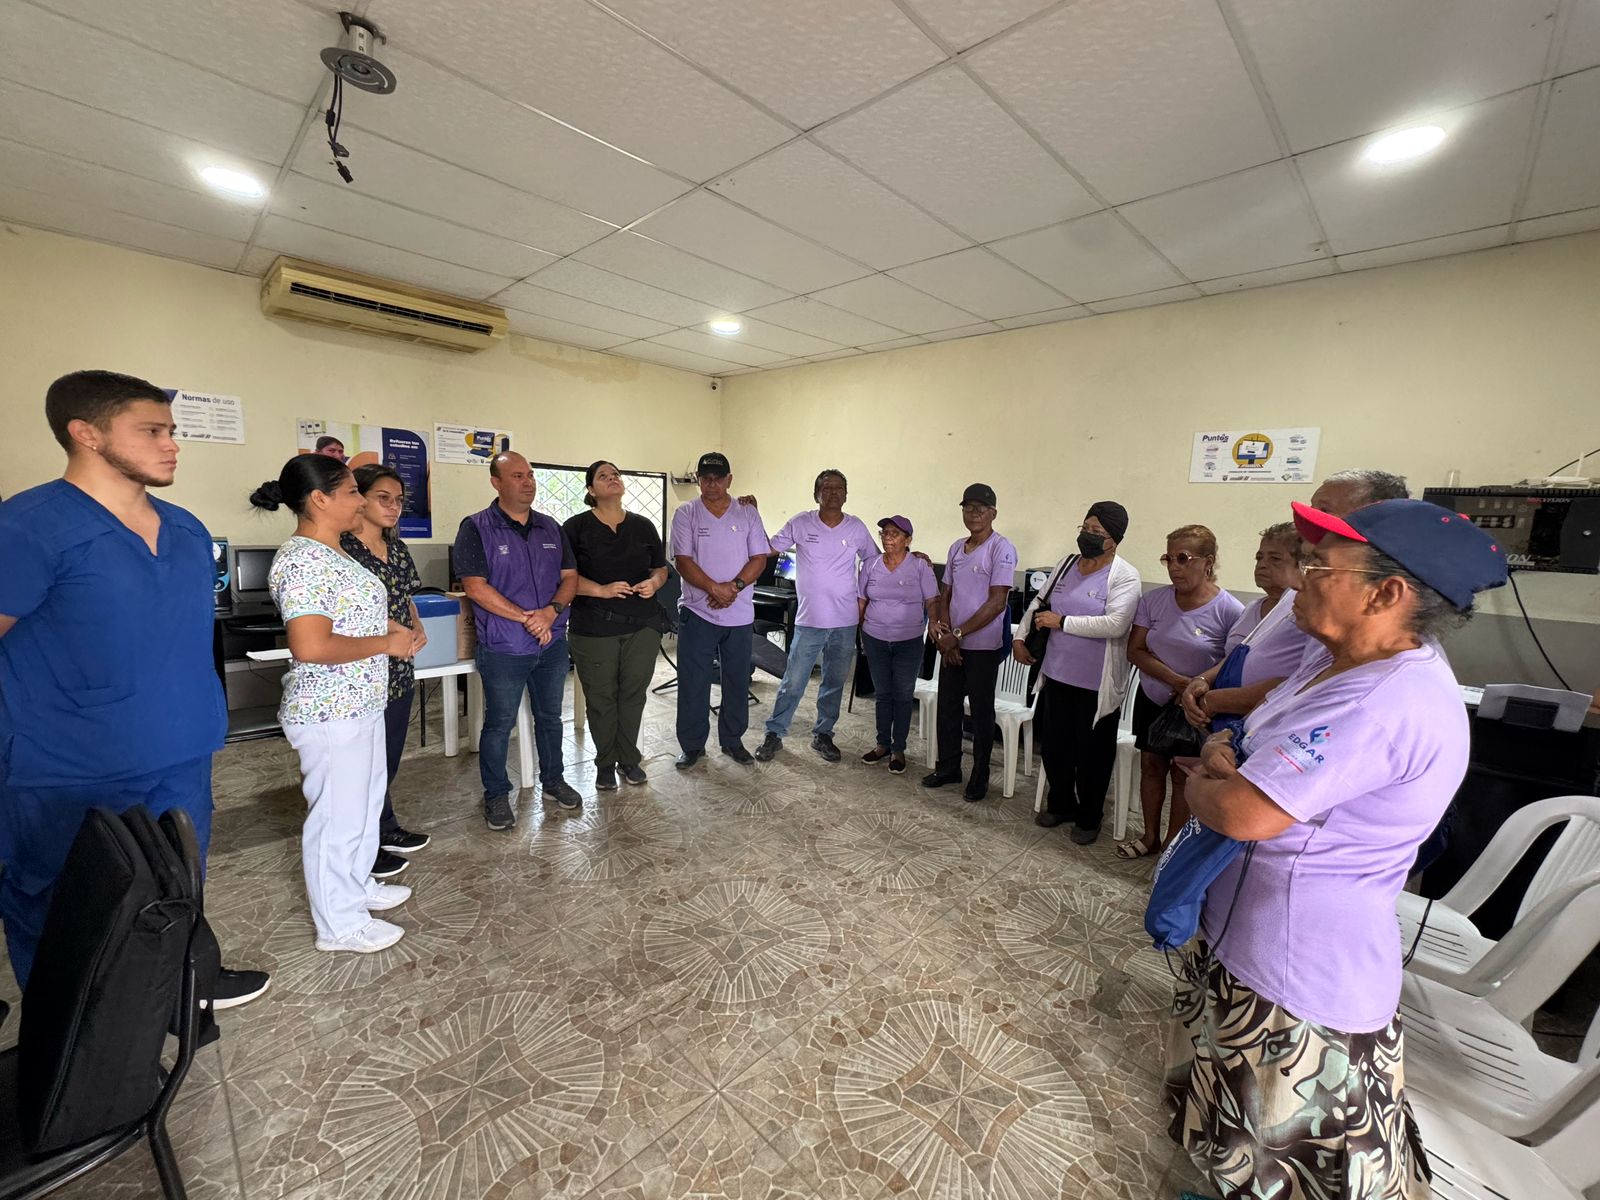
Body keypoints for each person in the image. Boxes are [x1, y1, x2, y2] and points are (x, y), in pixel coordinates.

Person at [1166, 498, 1508, 1198]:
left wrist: (1201, 781)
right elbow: (1254, 735)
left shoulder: (1382, 703)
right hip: (1249, 942)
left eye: (1320, 566)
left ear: (1386, 593)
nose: (1301, 578)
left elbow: (1241, 811)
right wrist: (1224, 746)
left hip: (1297, 972)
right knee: (1229, 1137)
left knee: (1279, 1164)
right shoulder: (1337, 662)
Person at [0, 370, 268, 1006]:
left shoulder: (185, 529)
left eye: (171, 431)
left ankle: (181, 988)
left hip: (180, 750)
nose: (171, 445)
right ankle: (71, 1036)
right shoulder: (29, 527)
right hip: (68, 765)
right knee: (63, 906)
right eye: (151, 431)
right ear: (86, 433)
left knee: (177, 885)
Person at [251, 455, 416, 954]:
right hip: (329, 709)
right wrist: (386, 643)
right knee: (336, 818)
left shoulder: (336, 551)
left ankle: (358, 886)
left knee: (363, 806)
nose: (360, 501)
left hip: (361, 700)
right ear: (320, 500)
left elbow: (350, 614)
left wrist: (390, 626)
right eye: (351, 492)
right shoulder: (302, 560)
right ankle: (338, 925)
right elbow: (311, 645)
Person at [453, 452, 582, 827]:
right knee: (499, 723)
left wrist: (550, 613)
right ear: (496, 482)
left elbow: (570, 577)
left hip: (551, 643)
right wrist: (528, 618)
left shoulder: (550, 527)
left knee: (550, 718)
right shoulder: (476, 527)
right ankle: (496, 794)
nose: (528, 482)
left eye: (530, 475)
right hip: (504, 647)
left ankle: (553, 781)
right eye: (517, 476)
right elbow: (475, 587)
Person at [1013, 502, 1142, 842]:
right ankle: (1060, 804)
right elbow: (1040, 603)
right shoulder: (1067, 564)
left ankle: (1089, 817)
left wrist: (1064, 622)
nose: (1088, 535)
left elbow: (1116, 624)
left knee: (1092, 756)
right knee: (1055, 748)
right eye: (1085, 528)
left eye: (1097, 532)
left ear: (1115, 539)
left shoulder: (1125, 576)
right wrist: (1019, 637)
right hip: (1057, 674)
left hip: (1095, 685)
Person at [1120, 525, 1243, 859]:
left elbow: (1232, 664)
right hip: (1154, 698)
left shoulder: (1229, 610)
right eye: (1169, 558)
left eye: (1183, 558)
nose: (1174, 567)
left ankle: (1170, 847)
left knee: (1182, 775)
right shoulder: (1154, 601)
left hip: (1196, 708)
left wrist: (1193, 689)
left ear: (1208, 562)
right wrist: (1176, 681)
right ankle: (1149, 836)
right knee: (1151, 766)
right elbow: (1136, 650)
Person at [342, 464, 430, 879]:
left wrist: (417, 625)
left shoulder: (395, 547)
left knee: (386, 758)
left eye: (398, 500)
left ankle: (384, 826)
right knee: (359, 765)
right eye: (383, 498)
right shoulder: (340, 548)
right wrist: (393, 630)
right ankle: (364, 845)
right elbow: (344, 613)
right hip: (359, 669)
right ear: (358, 497)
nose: (394, 507)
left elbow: (406, 596)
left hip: (397, 669)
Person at [755, 470, 878, 764]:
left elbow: (874, 561)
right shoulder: (801, 522)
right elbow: (767, 547)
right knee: (794, 681)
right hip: (810, 620)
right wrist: (753, 515)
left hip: (845, 621)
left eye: (839, 488)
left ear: (846, 494)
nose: (833, 492)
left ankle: (823, 734)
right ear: (816, 494)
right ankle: (774, 733)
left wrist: (912, 557)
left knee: (834, 682)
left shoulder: (856, 527)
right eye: (827, 487)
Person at [562, 460, 668, 791]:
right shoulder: (575, 527)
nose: (613, 479)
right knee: (601, 698)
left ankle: (629, 759)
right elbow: (563, 578)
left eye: (616, 474)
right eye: (603, 476)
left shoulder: (643, 526)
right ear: (591, 490)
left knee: (633, 695)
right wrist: (601, 590)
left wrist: (654, 583)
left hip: (642, 626)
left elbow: (660, 568)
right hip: (594, 628)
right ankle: (606, 763)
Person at [670, 452, 770, 768]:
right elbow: (683, 561)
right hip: (698, 612)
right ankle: (692, 746)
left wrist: (733, 588)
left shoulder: (747, 513)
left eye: (718, 478)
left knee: (737, 680)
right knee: (693, 681)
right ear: (699, 480)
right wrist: (714, 588)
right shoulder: (686, 513)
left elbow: (759, 558)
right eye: (705, 478)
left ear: (729, 480)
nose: (711, 484)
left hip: (738, 615)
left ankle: (733, 741)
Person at [923, 483, 1018, 802]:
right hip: (954, 643)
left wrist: (958, 635)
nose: (973, 513)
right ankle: (949, 767)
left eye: (980, 508)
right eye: (968, 508)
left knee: (980, 712)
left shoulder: (1001, 549)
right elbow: (946, 593)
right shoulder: (956, 548)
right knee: (948, 706)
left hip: (983, 647)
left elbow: (997, 603)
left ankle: (980, 775)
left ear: (993, 513)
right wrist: (946, 636)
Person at [1178, 522, 1316, 733]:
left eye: (1275, 559)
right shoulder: (1255, 608)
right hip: (1223, 719)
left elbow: (1297, 681)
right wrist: (1204, 679)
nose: (1262, 565)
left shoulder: (1307, 611)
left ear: (1303, 565)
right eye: (1259, 558)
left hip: (1264, 723)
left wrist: (1215, 701)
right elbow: (1240, 654)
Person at [857, 515, 940, 775]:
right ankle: (882, 744)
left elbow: (933, 600)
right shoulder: (870, 565)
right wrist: (859, 633)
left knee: (903, 695)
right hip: (875, 638)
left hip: (909, 641)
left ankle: (898, 749)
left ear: (908, 539)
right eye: (884, 533)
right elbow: (861, 600)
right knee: (883, 694)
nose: (888, 538)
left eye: (894, 533)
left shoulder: (920, 566)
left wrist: (934, 622)